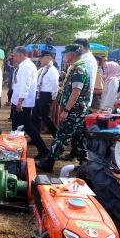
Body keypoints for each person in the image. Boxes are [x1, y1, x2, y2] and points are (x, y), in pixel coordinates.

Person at [36, 44, 91, 172]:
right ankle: (84, 164)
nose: (65, 56)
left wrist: (66, 110)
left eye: (66, 54)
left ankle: (49, 163)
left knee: (62, 136)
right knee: (78, 138)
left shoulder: (78, 70)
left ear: (71, 55)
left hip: (74, 111)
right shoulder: (76, 68)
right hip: (78, 110)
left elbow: (76, 92)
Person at [10, 46, 49, 158]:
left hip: (23, 102)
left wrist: (20, 101)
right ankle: (15, 148)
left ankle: (43, 150)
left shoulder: (26, 67)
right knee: (16, 126)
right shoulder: (24, 66)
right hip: (19, 101)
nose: (14, 58)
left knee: (27, 126)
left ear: (21, 55)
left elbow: (25, 86)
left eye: (15, 55)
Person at [32, 50, 59, 138]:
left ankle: (57, 136)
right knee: (35, 117)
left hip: (45, 95)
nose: (40, 59)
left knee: (46, 118)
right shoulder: (42, 69)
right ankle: (35, 137)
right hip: (38, 94)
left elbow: (54, 85)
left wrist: (53, 98)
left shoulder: (52, 70)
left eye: (41, 57)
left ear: (48, 57)